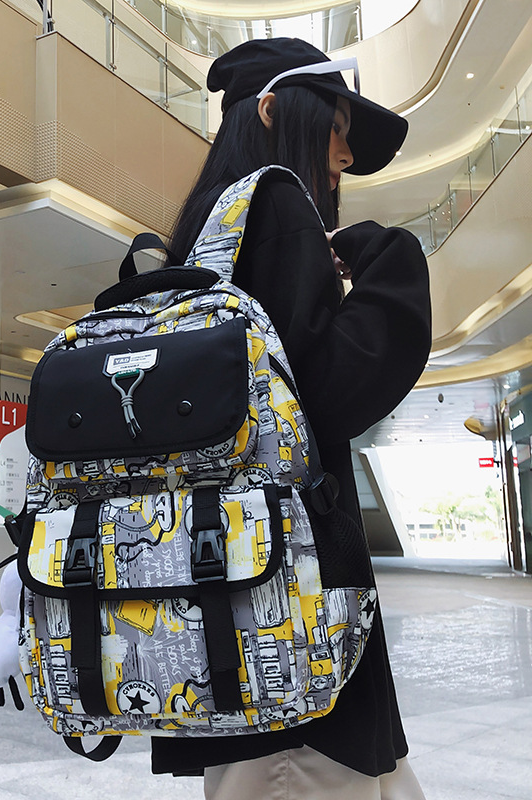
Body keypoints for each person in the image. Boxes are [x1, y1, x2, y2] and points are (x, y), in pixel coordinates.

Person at [151, 38, 431, 799]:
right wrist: (393, 263)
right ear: (272, 111)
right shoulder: (277, 206)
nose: (345, 153)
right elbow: (325, 396)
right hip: (293, 616)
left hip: (239, 589)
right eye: (334, 127)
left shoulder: (210, 229)